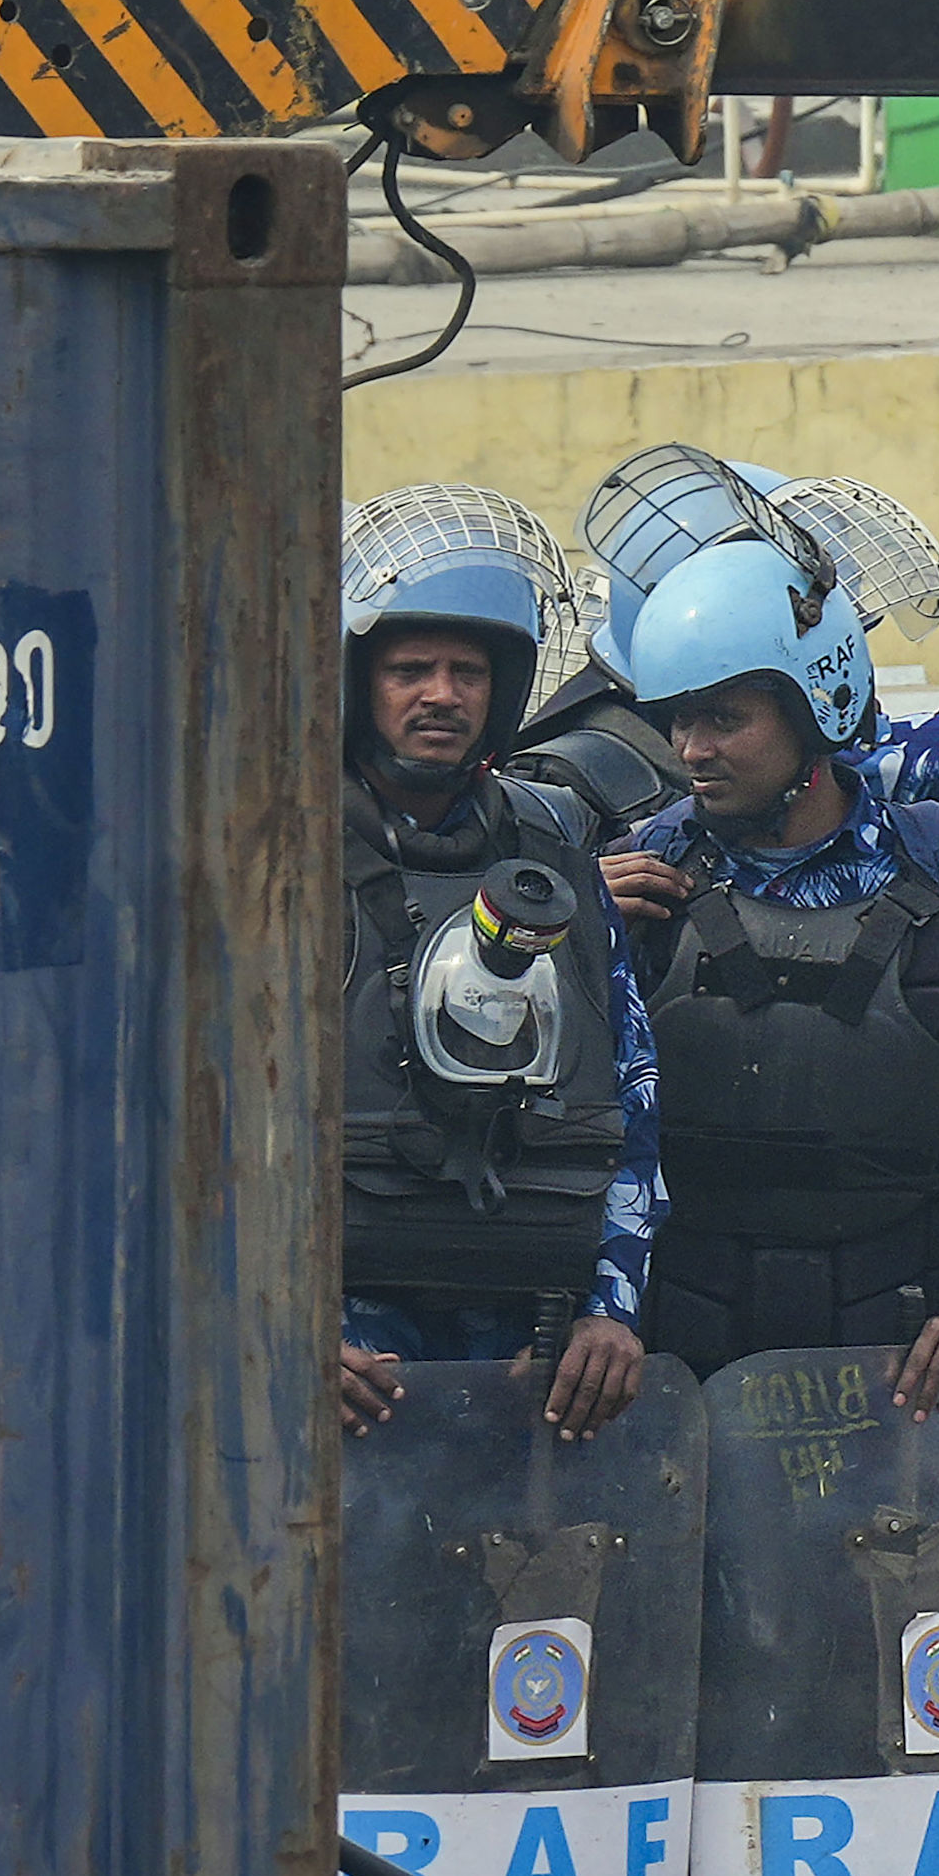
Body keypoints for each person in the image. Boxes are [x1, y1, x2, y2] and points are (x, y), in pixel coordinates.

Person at [610, 518, 939, 1410]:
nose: (691, 749)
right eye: (679, 718)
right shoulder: (639, 882)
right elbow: (595, 1135)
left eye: (723, 716)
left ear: (816, 709)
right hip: (681, 1378)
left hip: (899, 1373)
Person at [332, 486, 655, 1444]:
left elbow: (632, 1086)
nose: (442, 694)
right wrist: (272, 1330)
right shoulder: (270, 849)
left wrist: (613, 1305)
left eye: (468, 669)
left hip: (533, 1337)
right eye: (410, 669)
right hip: (349, 1334)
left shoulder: (552, 844)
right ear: (357, 682)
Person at [514, 448, 939, 843]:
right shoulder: (581, 787)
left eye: (728, 719)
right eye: (690, 719)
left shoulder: (929, 781)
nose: (696, 750)